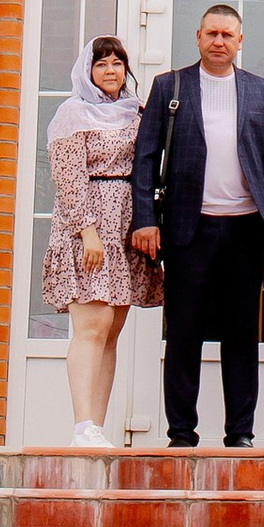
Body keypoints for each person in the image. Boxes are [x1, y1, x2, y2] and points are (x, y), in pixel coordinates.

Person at [128, 1, 264, 448]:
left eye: (228, 35)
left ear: (240, 42)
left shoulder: (260, 91)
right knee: (184, 331)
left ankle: (240, 433)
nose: (219, 41)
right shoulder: (170, 86)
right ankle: (181, 433)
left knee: (241, 335)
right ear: (198, 38)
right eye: (211, 34)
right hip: (188, 229)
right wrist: (146, 219)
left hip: (245, 230)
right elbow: (144, 161)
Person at [40, 31, 162, 446]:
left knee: (111, 328)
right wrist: (87, 232)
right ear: (87, 71)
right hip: (88, 226)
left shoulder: (135, 112)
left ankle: (97, 425)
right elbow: (68, 178)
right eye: (100, 63)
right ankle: (80, 424)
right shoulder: (73, 113)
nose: (110, 71)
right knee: (91, 326)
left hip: (126, 225)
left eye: (116, 63)